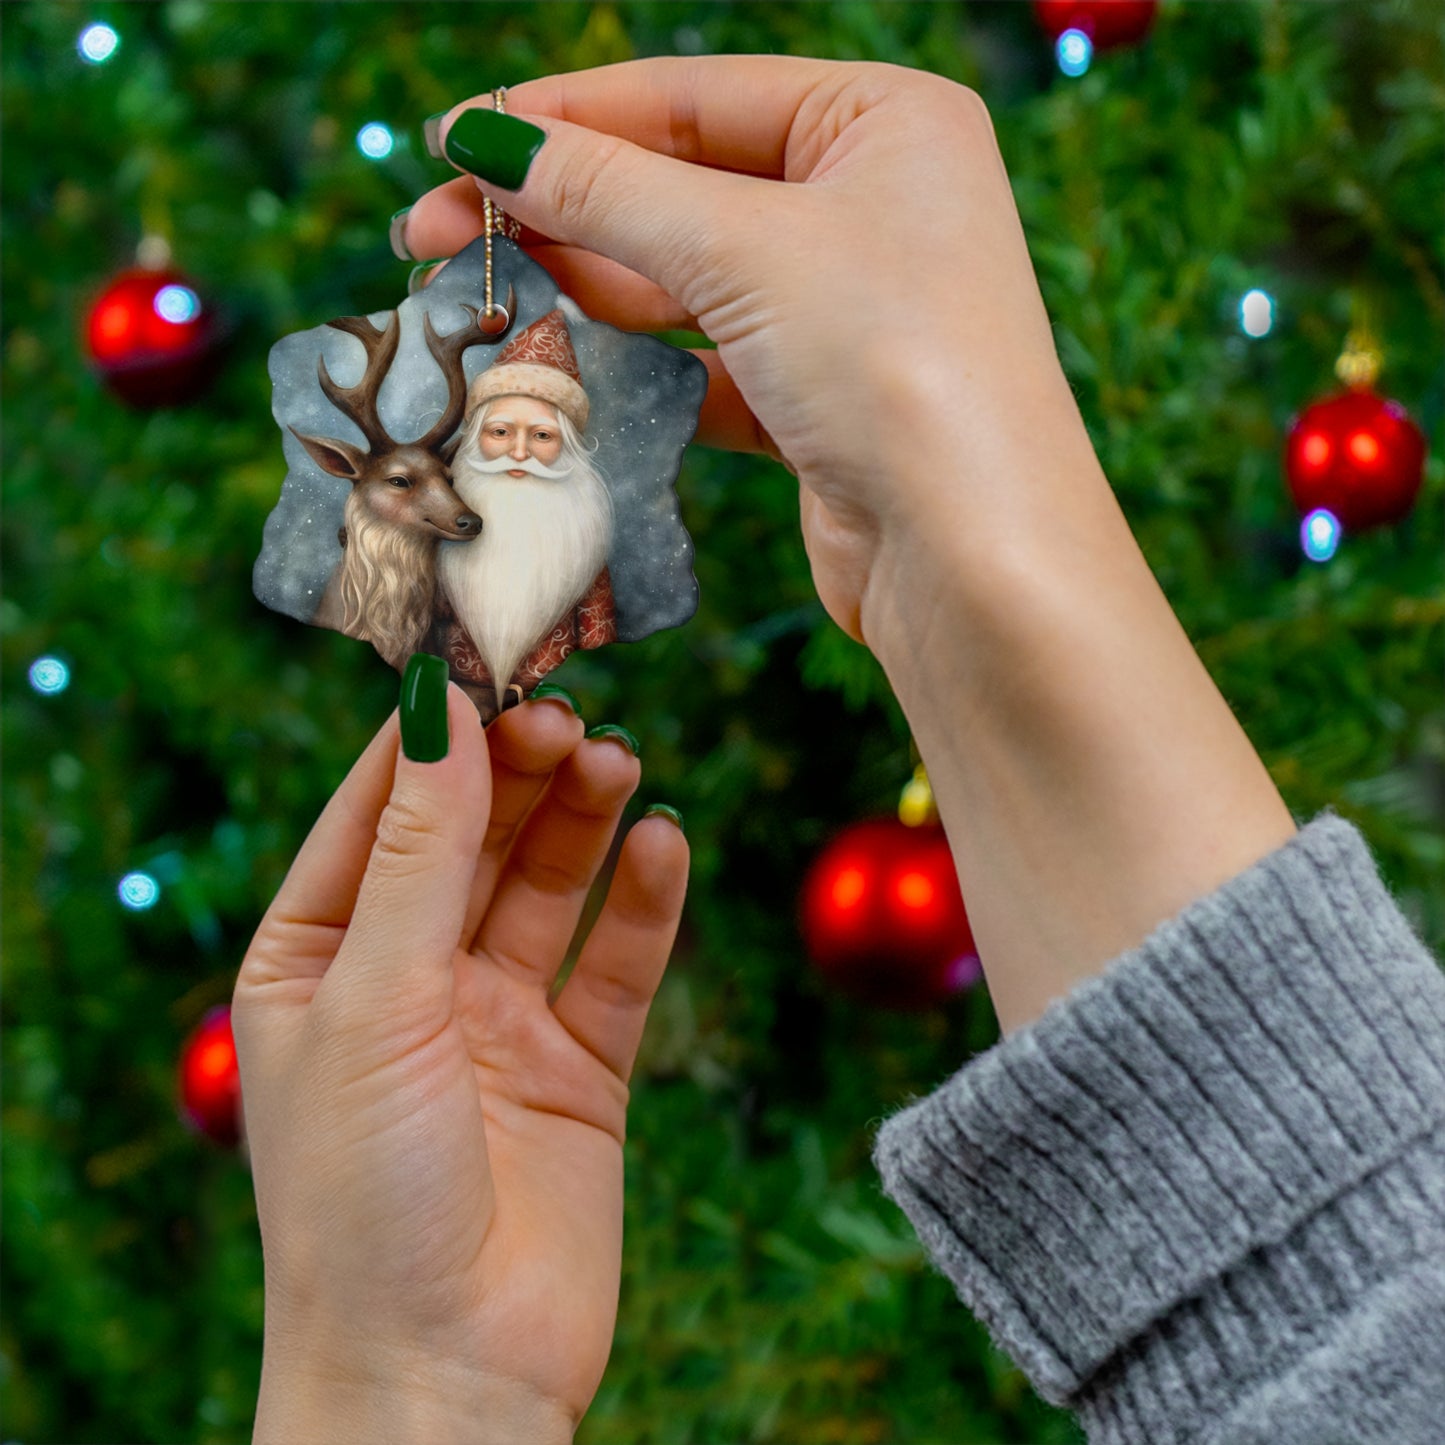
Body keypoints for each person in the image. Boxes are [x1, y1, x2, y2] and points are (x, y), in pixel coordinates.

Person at [231, 55, 1445, 1444]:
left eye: (530, 434)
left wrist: (394, 1390)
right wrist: (413, 1387)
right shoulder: (400, 513)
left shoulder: (596, 532)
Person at [433, 308, 618, 719]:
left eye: (542, 436)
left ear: (568, 447)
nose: (519, 453)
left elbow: (596, 627)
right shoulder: (433, 542)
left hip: (539, 712)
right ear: (475, 437)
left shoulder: (582, 550)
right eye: (500, 432)